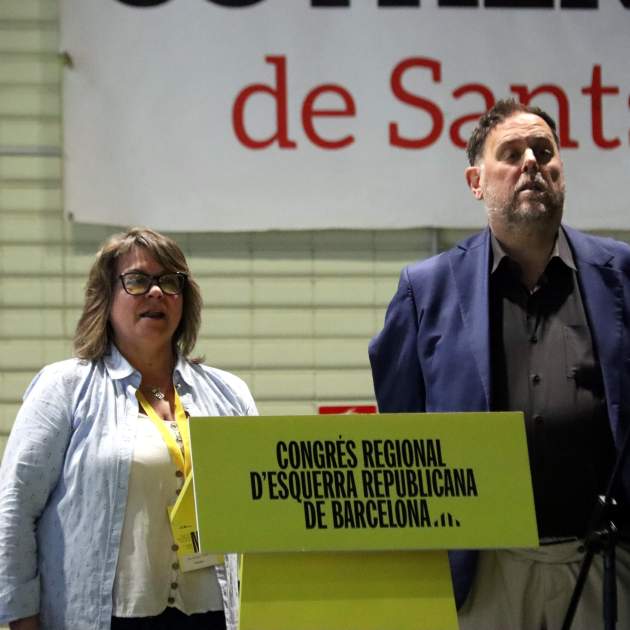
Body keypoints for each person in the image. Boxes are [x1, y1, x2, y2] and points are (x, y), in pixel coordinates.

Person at [369, 99, 630, 629]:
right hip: (483, 571)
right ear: (476, 182)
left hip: (606, 561)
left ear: (561, 170)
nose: (531, 162)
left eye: (544, 151)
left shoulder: (621, 275)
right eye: (511, 154)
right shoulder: (426, 289)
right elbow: (401, 431)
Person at [0, 227, 257, 630]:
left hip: (212, 615)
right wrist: (20, 618)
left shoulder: (229, 393)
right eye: (137, 280)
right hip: (103, 618)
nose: (156, 292)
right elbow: (14, 511)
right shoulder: (64, 388)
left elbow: (256, 506)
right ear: (106, 297)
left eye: (170, 282)